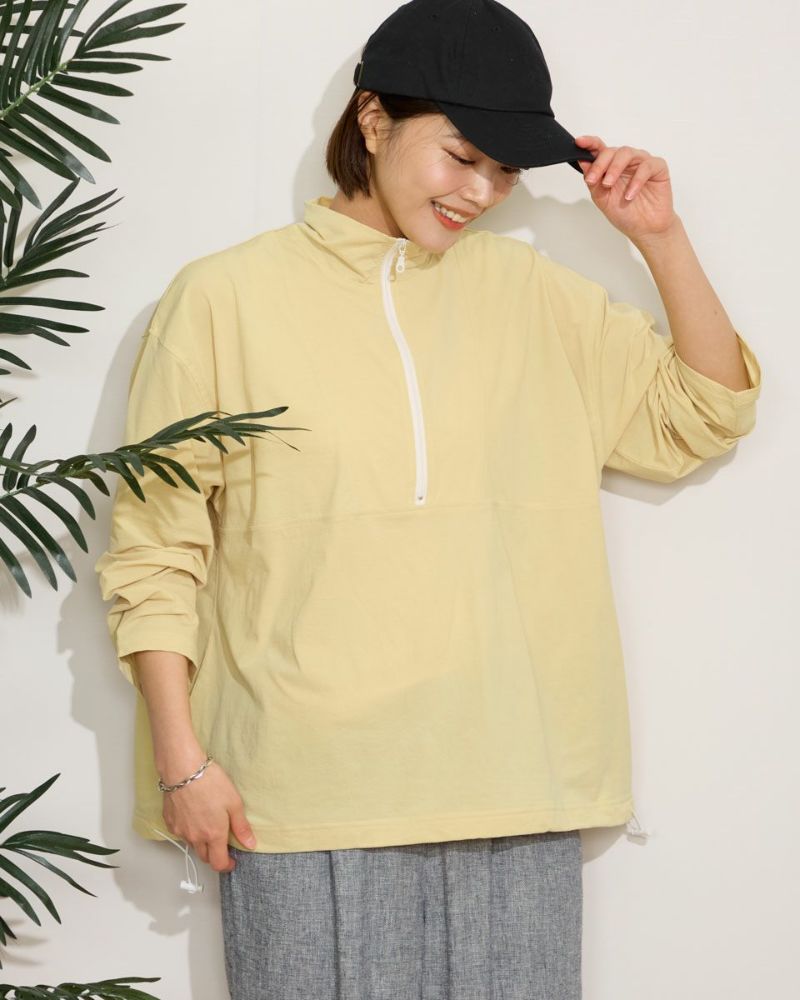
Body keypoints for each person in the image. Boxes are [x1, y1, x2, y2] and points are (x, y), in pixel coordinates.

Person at [93, 1, 763, 997]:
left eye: (504, 170)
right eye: (460, 156)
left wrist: (658, 240)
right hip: (298, 793)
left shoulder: (533, 296)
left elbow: (704, 412)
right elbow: (156, 545)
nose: (481, 192)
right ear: (372, 118)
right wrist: (182, 761)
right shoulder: (222, 299)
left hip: (515, 785)